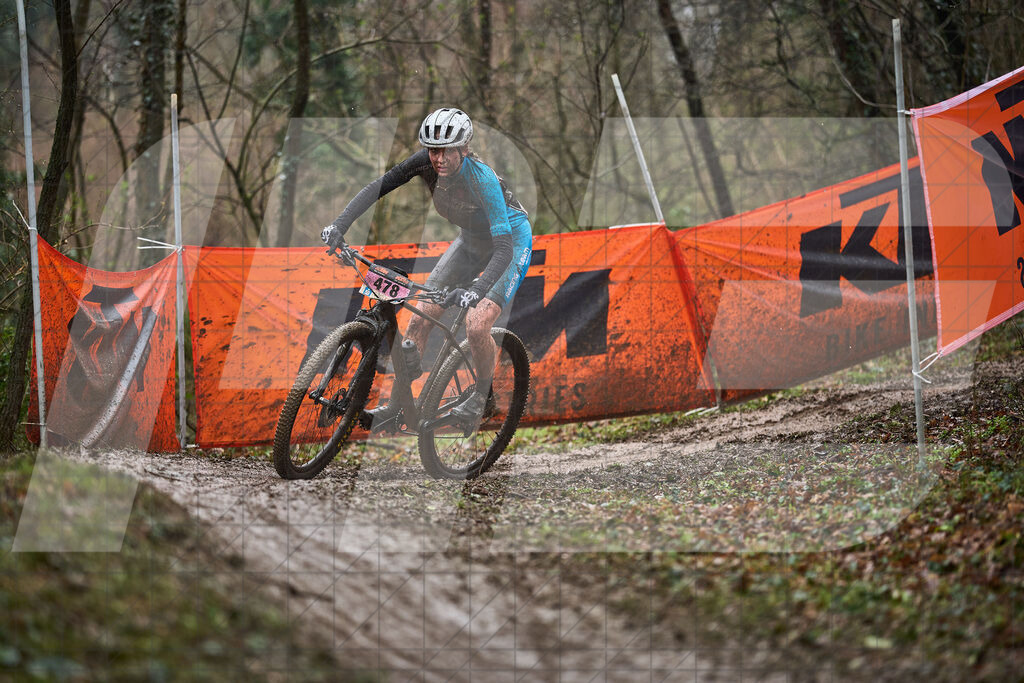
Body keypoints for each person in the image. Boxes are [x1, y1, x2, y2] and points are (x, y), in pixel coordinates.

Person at [320, 107, 533, 426]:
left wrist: (475, 290)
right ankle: (397, 406)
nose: (439, 158)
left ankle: (481, 396)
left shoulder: (482, 178)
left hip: (510, 242)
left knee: (476, 324)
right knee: (420, 319)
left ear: (463, 149)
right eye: (433, 150)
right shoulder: (423, 163)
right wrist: (339, 225)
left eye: (447, 151)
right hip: (471, 242)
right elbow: (378, 187)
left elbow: (502, 248)